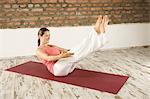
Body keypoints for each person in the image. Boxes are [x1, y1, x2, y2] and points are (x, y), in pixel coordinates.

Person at [36, 15, 109, 76]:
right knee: (78, 53)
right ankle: (100, 35)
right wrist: (61, 56)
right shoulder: (39, 50)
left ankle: (97, 32)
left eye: (49, 35)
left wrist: (74, 49)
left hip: (65, 67)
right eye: (46, 35)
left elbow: (66, 50)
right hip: (57, 69)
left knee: (80, 47)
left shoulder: (51, 45)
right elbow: (48, 58)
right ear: (40, 36)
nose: (48, 37)